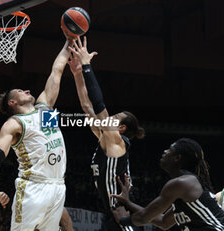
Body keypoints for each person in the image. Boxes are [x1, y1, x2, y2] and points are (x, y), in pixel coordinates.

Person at [0, 31, 74, 231]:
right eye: (21, 92)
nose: (28, 91)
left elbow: (56, 71)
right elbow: (1, 147)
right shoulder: (14, 123)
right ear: (12, 102)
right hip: (34, 186)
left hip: (58, 185)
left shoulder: (45, 109)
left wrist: (69, 41)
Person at [68, 36, 145, 231]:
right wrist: (77, 74)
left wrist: (86, 66)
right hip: (114, 213)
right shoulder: (104, 137)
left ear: (122, 129)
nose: (110, 116)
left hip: (125, 213)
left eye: (116, 116)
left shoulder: (117, 142)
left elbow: (98, 104)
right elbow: (87, 106)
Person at [111, 138, 224, 231]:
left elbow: (144, 218)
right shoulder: (184, 189)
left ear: (177, 158)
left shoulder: (181, 183)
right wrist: (128, 203)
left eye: (169, 149)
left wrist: (122, 220)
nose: (165, 151)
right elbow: (163, 222)